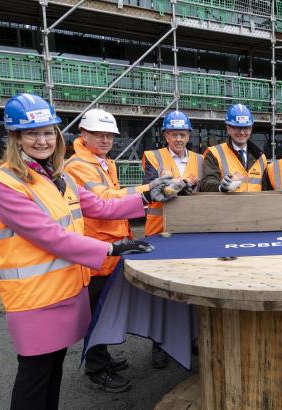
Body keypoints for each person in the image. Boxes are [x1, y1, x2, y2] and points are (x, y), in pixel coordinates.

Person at [0, 94, 175, 409]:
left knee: (52, 370)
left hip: (65, 290)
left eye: (47, 133)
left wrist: (147, 194)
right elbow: (50, 237)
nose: (41, 141)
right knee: (34, 376)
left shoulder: (58, 176)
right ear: (15, 139)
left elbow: (102, 205)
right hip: (33, 299)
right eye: (31, 134)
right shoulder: (5, 183)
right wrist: (111, 248)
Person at [64, 108, 183, 391]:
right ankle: (96, 368)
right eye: (99, 134)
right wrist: (145, 190)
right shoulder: (78, 166)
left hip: (110, 247)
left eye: (109, 135)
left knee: (104, 309)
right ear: (84, 134)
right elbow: (103, 201)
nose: (105, 140)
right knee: (95, 312)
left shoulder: (103, 162)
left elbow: (113, 198)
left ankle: (101, 358)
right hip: (96, 250)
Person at [142, 110, 201, 237]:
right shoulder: (153, 157)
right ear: (166, 136)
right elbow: (150, 186)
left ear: (188, 136)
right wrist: (183, 186)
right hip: (159, 228)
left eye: (182, 135)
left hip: (192, 226)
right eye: (174, 135)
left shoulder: (200, 159)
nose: (178, 139)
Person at [200, 104, 267, 192]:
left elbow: (266, 190)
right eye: (238, 128)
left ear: (251, 128)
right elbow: (207, 183)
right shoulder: (214, 153)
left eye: (246, 128)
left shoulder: (261, 158)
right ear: (228, 128)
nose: (242, 132)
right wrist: (221, 187)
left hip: (254, 205)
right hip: (228, 205)